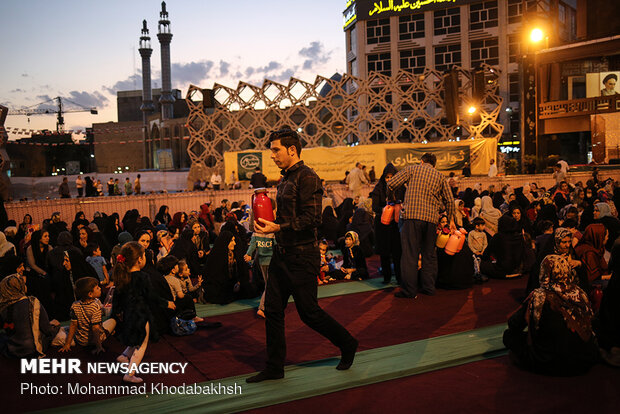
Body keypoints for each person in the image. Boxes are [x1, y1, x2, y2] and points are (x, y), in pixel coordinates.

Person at [246, 128, 358, 383]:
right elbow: (289, 215)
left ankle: (348, 343)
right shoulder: (285, 179)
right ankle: (275, 367)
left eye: (276, 150)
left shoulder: (308, 177)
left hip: (302, 257)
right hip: (281, 255)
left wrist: (279, 227)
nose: (272, 155)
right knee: (272, 310)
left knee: (309, 313)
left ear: (292, 150)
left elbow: (313, 219)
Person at [503, 254, 599, 375]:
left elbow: (514, 324)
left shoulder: (539, 297)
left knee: (509, 336)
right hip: (583, 360)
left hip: (549, 360)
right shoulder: (580, 293)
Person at [387, 152, 456, 298]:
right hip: (431, 220)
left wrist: (391, 198)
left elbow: (391, 183)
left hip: (411, 217)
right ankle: (429, 288)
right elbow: (450, 201)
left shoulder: (412, 169)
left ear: (422, 161)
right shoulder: (440, 176)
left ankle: (409, 291)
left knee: (410, 255)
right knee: (429, 256)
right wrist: (450, 220)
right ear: (434, 164)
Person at [112, 242, 175, 383]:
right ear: (140, 259)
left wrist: (116, 313)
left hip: (129, 313)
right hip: (140, 314)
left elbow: (117, 297)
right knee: (142, 344)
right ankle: (129, 374)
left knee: (136, 338)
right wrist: (167, 303)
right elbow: (151, 296)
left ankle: (124, 355)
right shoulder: (143, 277)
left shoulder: (123, 276)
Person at [0, 274, 60, 358]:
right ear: (19, 287)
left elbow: (10, 330)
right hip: (32, 349)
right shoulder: (32, 302)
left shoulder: (3, 308)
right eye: (23, 283)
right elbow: (47, 330)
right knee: (55, 326)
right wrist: (55, 327)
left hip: (12, 350)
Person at [57, 277, 116, 354]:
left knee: (66, 328)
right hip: (94, 340)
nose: (100, 289)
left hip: (81, 340)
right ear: (90, 294)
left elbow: (73, 325)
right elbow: (95, 328)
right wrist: (99, 346)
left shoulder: (75, 305)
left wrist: (67, 344)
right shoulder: (95, 306)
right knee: (113, 321)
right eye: (97, 288)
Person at [369, 163, 403, 284]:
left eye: (391, 177)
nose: (389, 180)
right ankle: (387, 277)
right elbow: (374, 207)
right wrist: (385, 209)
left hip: (396, 225)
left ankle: (399, 277)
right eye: (387, 177)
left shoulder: (401, 188)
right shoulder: (378, 189)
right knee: (384, 252)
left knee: (397, 252)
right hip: (383, 225)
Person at [244, 229, 275, 318]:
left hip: (262, 261)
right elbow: (277, 245)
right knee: (270, 285)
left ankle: (266, 307)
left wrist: (249, 254)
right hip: (271, 261)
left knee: (269, 284)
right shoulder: (272, 231)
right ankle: (263, 308)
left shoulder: (256, 232)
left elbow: (252, 244)